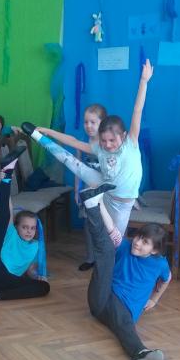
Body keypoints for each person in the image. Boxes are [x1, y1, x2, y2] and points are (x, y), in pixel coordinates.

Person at [28, 59, 153, 254]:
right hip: (105, 188)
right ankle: (38, 138)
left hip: (122, 203)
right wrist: (47, 132)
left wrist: (144, 81)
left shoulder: (130, 143)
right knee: (71, 162)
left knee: (115, 243)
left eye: (112, 140)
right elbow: (72, 142)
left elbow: (137, 110)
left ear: (123, 136)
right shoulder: (99, 148)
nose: (107, 145)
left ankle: (111, 266)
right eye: (104, 141)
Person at [79, 183, 170, 360]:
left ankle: (140, 353)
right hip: (102, 295)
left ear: (154, 251)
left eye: (145, 242)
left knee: (123, 322)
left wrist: (154, 299)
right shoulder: (126, 246)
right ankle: (91, 204)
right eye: (138, 237)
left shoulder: (160, 264)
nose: (137, 243)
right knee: (105, 251)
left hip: (121, 310)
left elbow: (167, 278)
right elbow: (111, 228)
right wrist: (100, 203)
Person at [35, 103, 107, 271]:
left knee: (105, 225)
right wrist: (77, 190)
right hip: (89, 191)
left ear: (102, 123)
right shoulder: (84, 142)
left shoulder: (107, 143)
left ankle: (106, 257)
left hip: (105, 192)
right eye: (86, 122)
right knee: (88, 224)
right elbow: (77, 167)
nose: (88, 126)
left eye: (93, 122)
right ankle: (91, 258)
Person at [0, 148, 50, 303]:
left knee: (44, 287)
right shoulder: (11, 232)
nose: (29, 231)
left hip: (4, 280)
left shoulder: (35, 246)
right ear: (17, 227)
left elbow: (30, 271)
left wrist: (38, 277)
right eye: (25, 227)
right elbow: (6, 209)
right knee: (3, 217)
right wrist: (5, 182)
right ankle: (7, 174)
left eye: (32, 228)